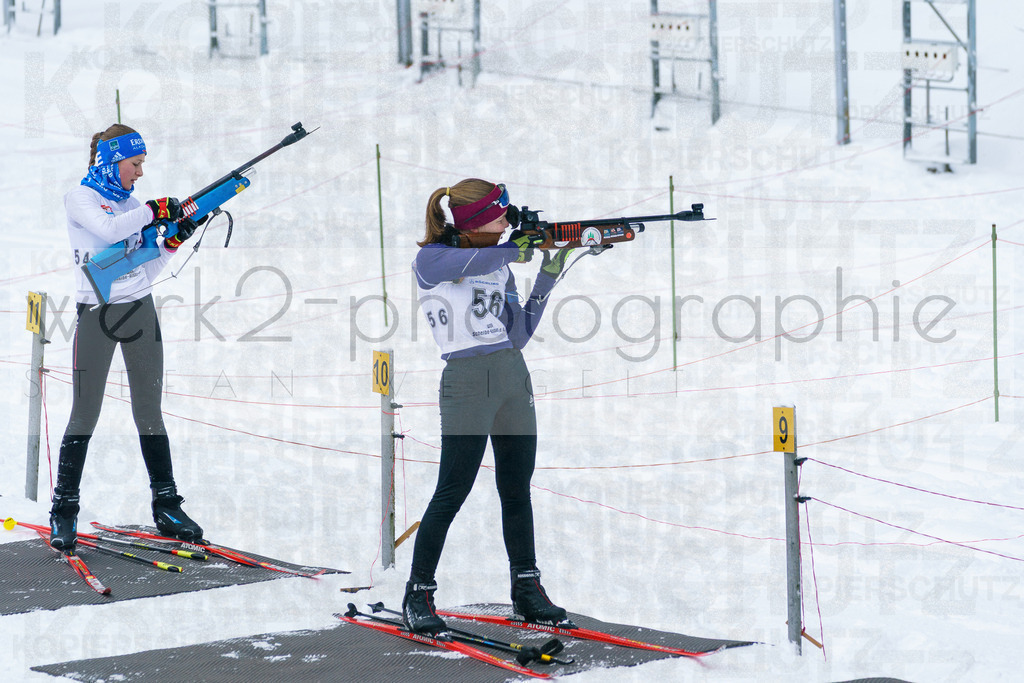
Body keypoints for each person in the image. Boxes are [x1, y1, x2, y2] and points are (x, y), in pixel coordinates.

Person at [402, 178, 580, 637]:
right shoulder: (432, 260)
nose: (506, 223)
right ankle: (418, 593)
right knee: (452, 490)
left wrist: (546, 277)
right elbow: (475, 260)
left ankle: (526, 588)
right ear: (476, 220)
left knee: (516, 489)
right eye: (499, 216)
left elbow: (518, 334)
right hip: (466, 382)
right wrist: (514, 249)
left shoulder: (501, 267)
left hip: (511, 376)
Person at [48, 123, 203, 551]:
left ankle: (167, 504)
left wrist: (170, 244)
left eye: (142, 164)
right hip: (96, 314)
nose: (139, 172)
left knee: (150, 413)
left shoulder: (133, 206)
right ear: (112, 161)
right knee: (85, 414)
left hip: (140, 312)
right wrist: (154, 211)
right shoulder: (81, 199)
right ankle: (64, 509)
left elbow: (142, 270)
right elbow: (109, 231)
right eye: (135, 163)